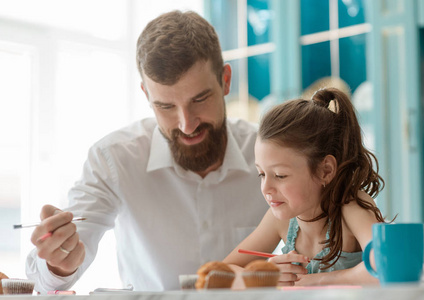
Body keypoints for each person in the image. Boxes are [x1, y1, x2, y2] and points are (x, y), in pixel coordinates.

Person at [26, 10, 267, 293]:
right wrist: (59, 263)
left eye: (200, 99)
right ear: (146, 95)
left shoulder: (269, 153)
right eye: (165, 106)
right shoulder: (114, 159)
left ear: (225, 80)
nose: (186, 124)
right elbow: (44, 277)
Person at [224, 87, 389, 286]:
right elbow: (221, 273)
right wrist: (267, 276)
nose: (266, 188)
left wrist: (315, 280)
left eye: (280, 175)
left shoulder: (350, 206)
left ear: (325, 171)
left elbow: (387, 264)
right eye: (261, 174)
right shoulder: (281, 221)